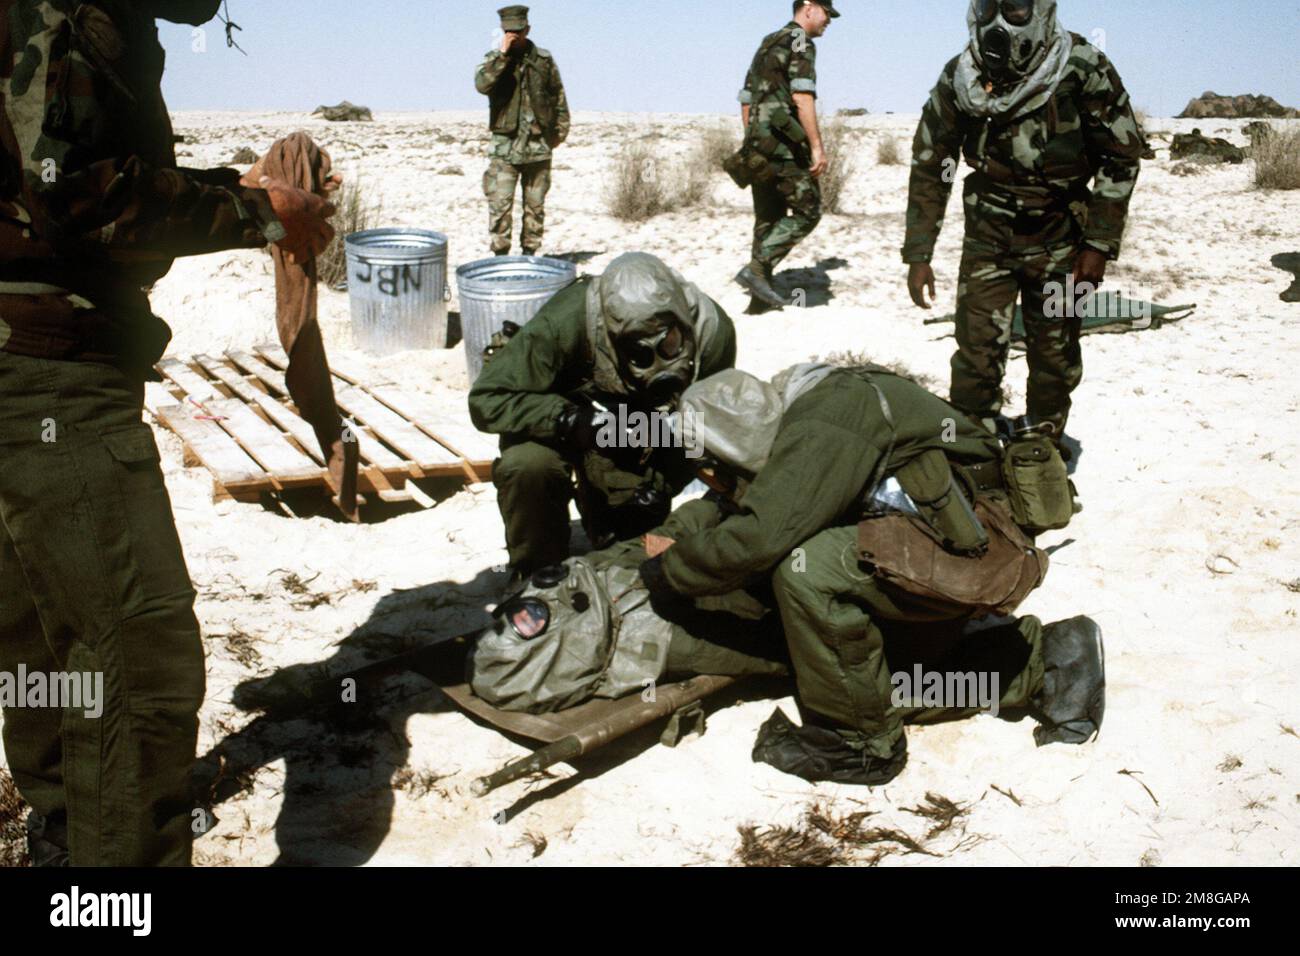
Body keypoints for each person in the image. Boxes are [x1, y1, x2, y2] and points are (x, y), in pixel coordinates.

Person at [0, 0, 336, 866]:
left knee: (46, 637)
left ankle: (68, 845)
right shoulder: (63, 12)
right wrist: (260, 213)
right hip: (48, 374)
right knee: (133, 666)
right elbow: (72, 192)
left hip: (25, 371)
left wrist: (242, 193)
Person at [639, 365, 1105, 785]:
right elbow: (739, 507)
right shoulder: (803, 405)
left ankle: (863, 746)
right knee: (853, 673)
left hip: (983, 544)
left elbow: (760, 536)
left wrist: (668, 574)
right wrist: (668, 540)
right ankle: (1046, 661)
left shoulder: (823, 423)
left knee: (808, 575)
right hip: (948, 536)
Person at [903, 0, 1143, 443]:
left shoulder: (1081, 67)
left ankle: (1043, 449)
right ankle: (975, 453)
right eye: (989, 8)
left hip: (1060, 242)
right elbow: (931, 162)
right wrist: (919, 252)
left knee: (1054, 357)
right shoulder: (963, 75)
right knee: (975, 356)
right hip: (987, 241)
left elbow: (1121, 156)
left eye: (1013, 9)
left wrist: (1098, 246)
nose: (999, 22)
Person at [468, 253, 736, 584]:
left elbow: (703, 431)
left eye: (669, 343)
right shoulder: (564, 323)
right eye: (639, 352)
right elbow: (487, 399)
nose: (659, 361)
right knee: (528, 467)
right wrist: (570, 421)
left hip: (630, 427)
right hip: (557, 414)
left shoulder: (713, 334)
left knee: (629, 553)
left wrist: (664, 481)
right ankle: (534, 571)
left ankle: (609, 526)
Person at [734, 0, 839, 312]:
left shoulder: (768, 41)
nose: (829, 21)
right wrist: (817, 147)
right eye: (827, 14)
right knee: (809, 211)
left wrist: (754, 137)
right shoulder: (800, 42)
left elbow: (746, 100)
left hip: (758, 146)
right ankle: (757, 267)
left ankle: (759, 298)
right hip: (786, 150)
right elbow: (802, 96)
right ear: (809, 8)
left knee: (768, 217)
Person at [474, 4, 571, 257]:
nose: (514, 36)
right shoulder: (493, 60)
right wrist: (503, 55)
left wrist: (558, 133)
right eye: (508, 32)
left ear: (527, 29)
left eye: (518, 31)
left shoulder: (544, 60)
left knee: (535, 207)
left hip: (538, 148)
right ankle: (500, 256)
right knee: (499, 205)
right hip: (505, 148)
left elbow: (558, 96)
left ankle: (530, 254)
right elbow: (482, 85)